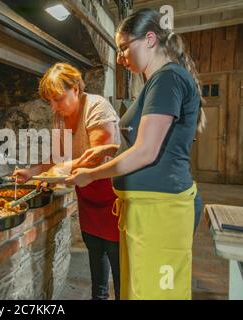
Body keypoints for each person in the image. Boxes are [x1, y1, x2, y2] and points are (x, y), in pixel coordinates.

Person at [66, 8, 206, 300]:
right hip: (146, 209)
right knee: (138, 290)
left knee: (157, 293)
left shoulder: (167, 79)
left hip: (163, 210)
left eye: (124, 48)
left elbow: (145, 152)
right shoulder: (156, 82)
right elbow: (144, 142)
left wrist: (90, 175)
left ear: (150, 39)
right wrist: (108, 149)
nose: (120, 58)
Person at [13, 62, 121, 300]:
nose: (53, 106)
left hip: (112, 195)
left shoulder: (97, 107)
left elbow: (103, 155)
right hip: (87, 194)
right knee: (95, 251)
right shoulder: (59, 116)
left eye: (58, 98)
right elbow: (58, 158)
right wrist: (32, 172)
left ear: (75, 88)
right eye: (49, 100)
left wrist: (65, 167)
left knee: (118, 259)